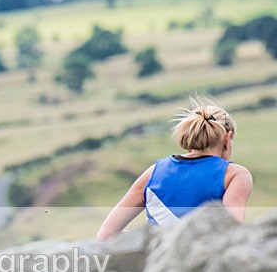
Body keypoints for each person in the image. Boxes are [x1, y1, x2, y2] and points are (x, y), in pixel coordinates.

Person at [96, 98, 253, 241]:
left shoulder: (153, 172)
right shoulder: (235, 175)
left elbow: (105, 236)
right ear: (227, 138)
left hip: (160, 266)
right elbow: (232, 233)